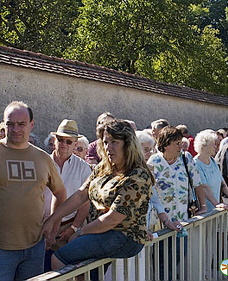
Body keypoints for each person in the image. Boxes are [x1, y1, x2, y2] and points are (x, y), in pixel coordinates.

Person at [42, 119, 154, 271]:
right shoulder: (105, 167)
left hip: (124, 236)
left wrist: (79, 232)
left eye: (114, 142)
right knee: (88, 271)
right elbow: (81, 195)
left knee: (59, 258)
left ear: (128, 145)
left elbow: (113, 218)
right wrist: (52, 220)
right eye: (106, 142)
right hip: (101, 232)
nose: (109, 147)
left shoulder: (138, 175)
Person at [0, 101, 67, 280]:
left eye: (21, 124)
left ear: (31, 124)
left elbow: (60, 194)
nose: (15, 129)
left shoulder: (43, 158)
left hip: (34, 248)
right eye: (10, 124)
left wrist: (53, 223)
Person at [43, 119, 92, 271]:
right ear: (54, 140)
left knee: (66, 271)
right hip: (40, 226)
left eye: (68, 141)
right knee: (40, 271)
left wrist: (74, 227)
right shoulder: (42, 162)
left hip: (67, 228)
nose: (63, 144)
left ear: (76, 143)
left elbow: (85, 202)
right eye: (60, 139)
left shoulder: (83, 168)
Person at [147, 126, 206, 221]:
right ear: (166, 145)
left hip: (185, 217)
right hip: (162, 220)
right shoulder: (154, 162)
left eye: (181, 143)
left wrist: (203, 206)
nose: (181, 146)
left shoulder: (186, 158)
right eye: (177, 143)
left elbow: (197, 183)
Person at [194, 129, 228, 212]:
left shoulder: (213, 161)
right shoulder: (195, 164)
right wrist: (217, 204)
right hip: (204, 212)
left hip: (216, 211)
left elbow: (222, 183)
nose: (216, 147)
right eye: (213, 145)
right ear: (203, 146)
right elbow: (204, 187)